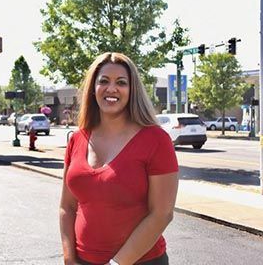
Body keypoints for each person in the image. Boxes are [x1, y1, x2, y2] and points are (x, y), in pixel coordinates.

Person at [59, 52, 179, 265]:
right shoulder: (77, 139)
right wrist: (69, 259)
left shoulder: (156, 140)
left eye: (121, 82)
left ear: (132, 90)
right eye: (103, 81)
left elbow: (162, 213)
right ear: (93, 89)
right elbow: (67, 207)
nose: (111, 88)